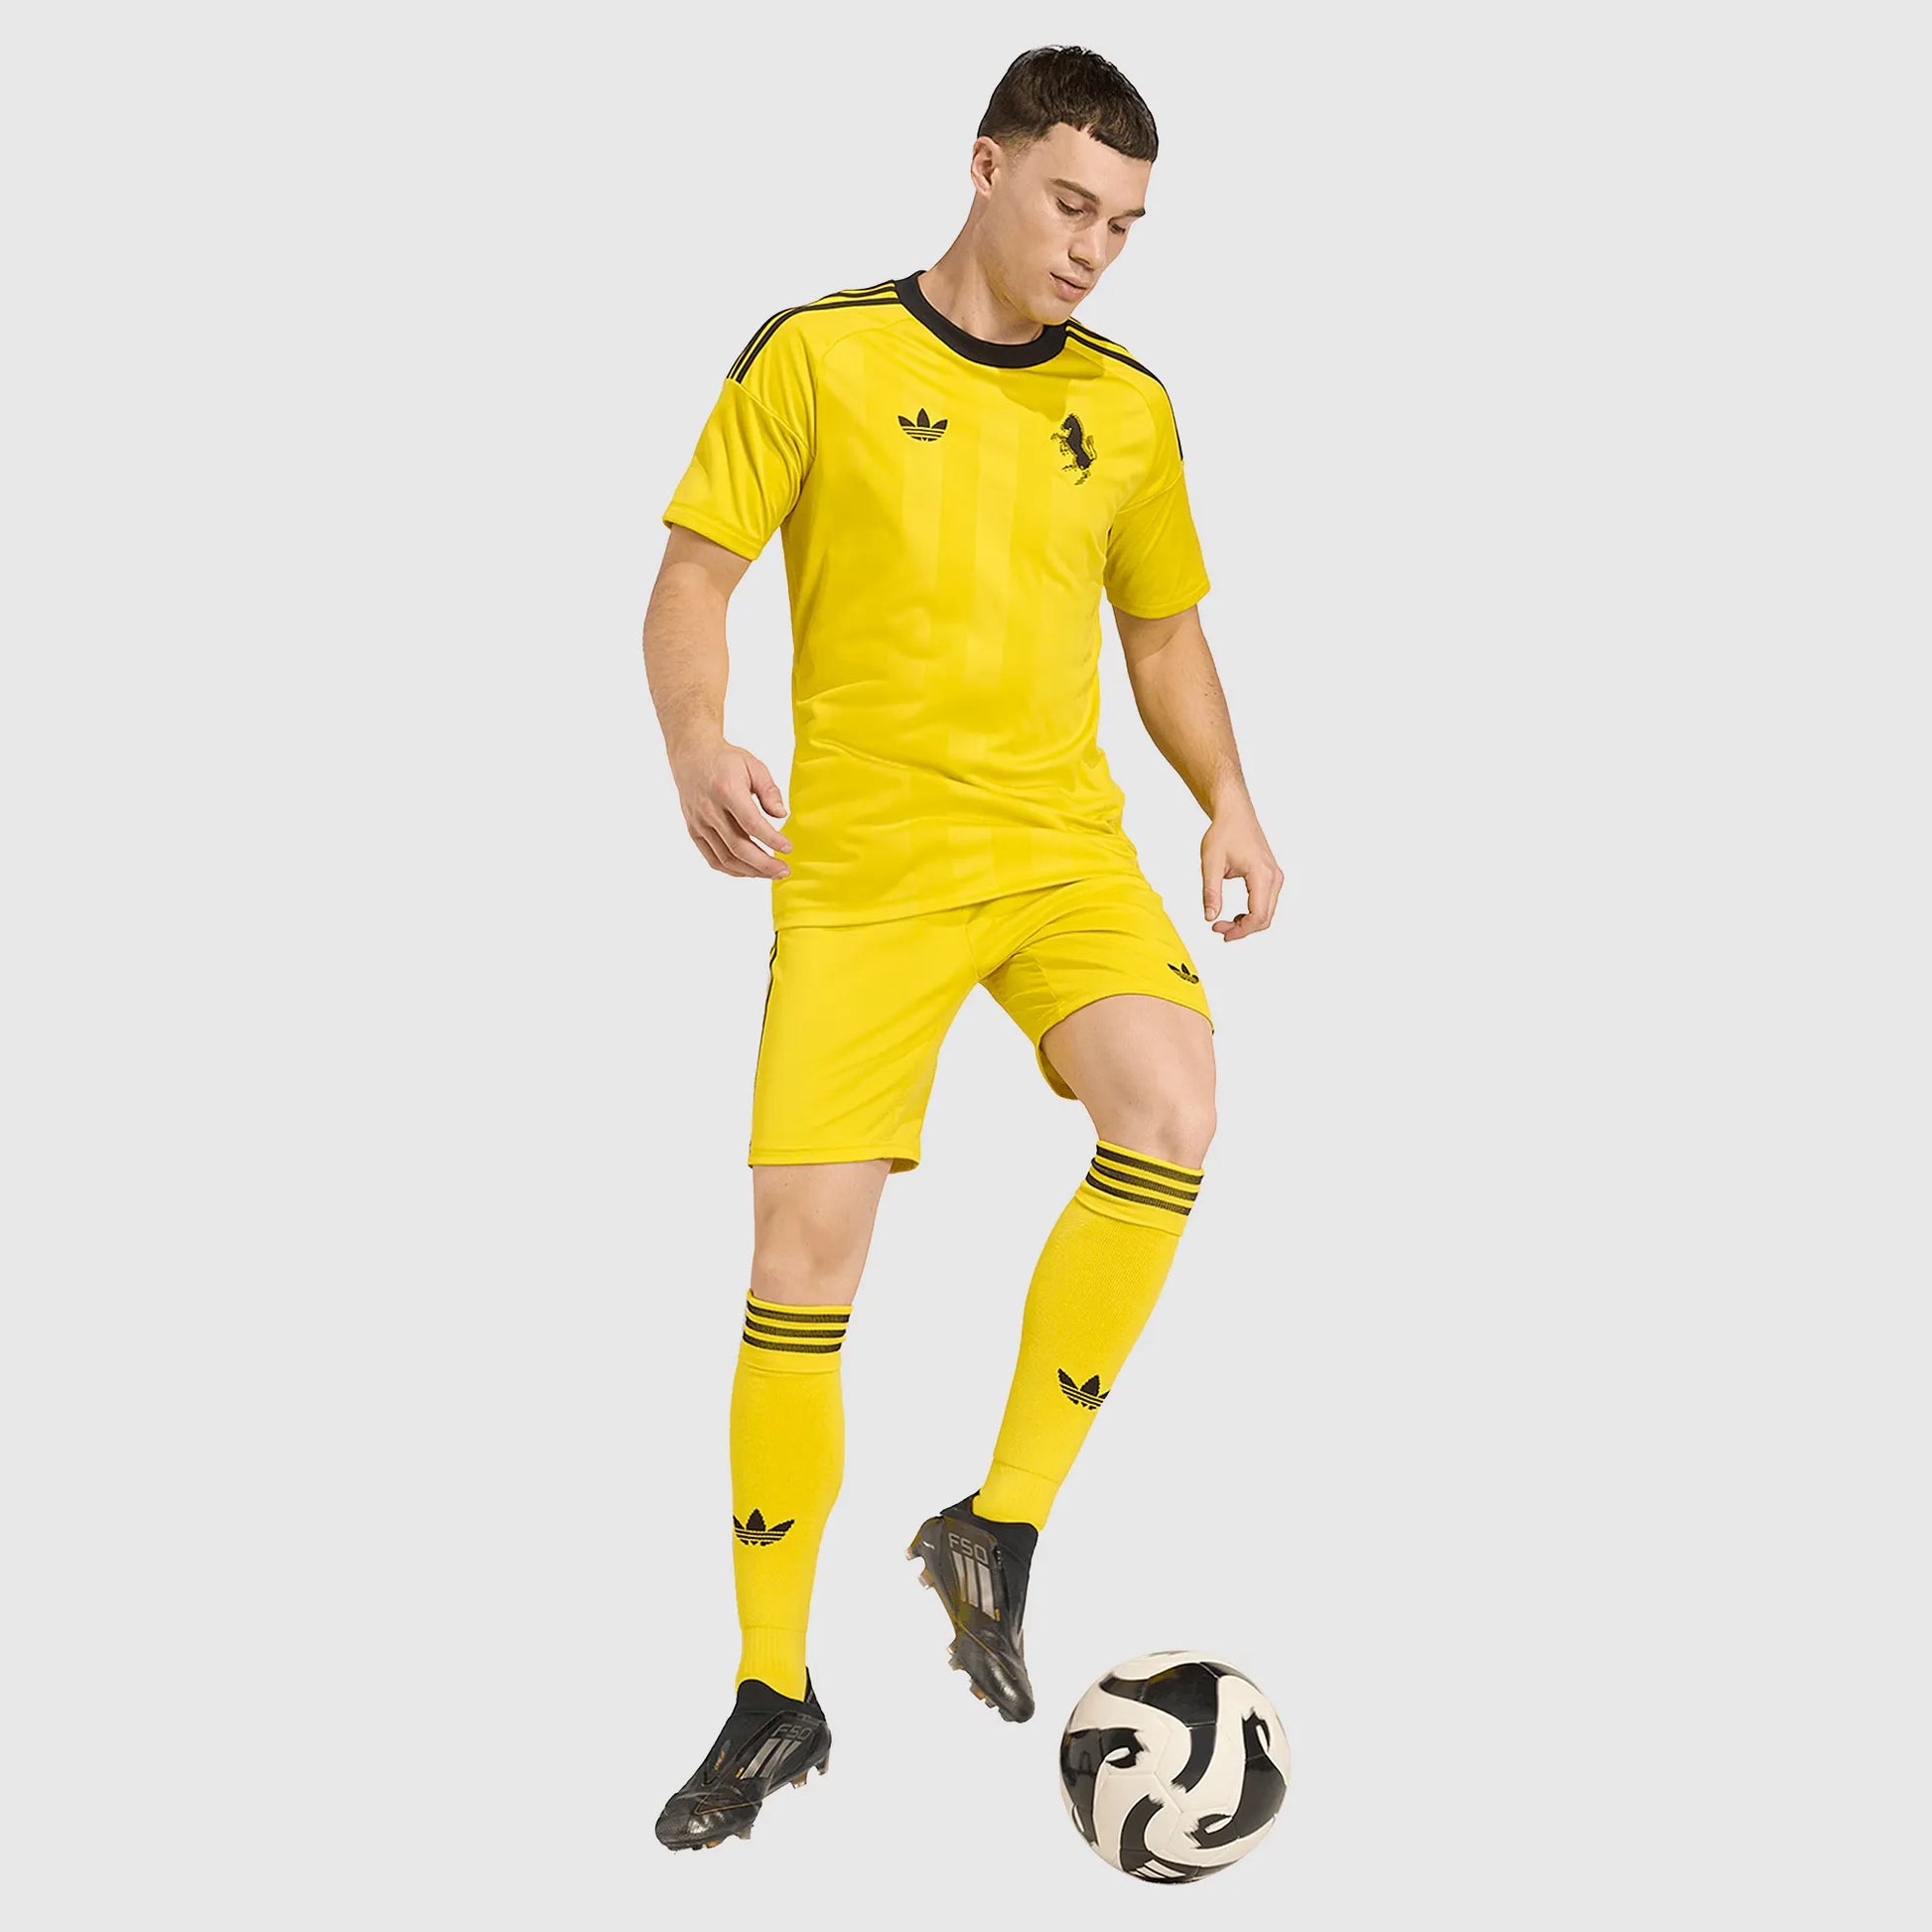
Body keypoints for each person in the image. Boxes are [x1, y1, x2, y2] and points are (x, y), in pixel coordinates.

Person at [641, 45, 1282, 1852]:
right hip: (864, 867)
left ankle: (995, 1522)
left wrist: (1229, 797)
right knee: (802, 1256)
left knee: (1171, 1104)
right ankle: (773, 1690)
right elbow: (692, 576)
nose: (1092, 249)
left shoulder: (1126, 405)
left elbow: (1161, 632)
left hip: (1058, 846)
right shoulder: (819, 354)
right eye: (1071, 204)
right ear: (986, 167)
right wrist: (697, 743)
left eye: (1125, 225)